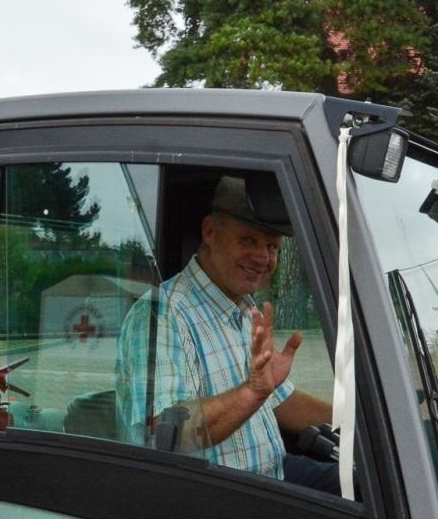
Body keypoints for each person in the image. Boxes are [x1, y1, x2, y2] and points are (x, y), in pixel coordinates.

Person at [115, 175, 334, 489]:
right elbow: (163, 432)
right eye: (248, 240)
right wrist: (253, 391)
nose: (262, 257)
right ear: (209, 232)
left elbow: (280, 401)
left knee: (365, 489)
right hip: (217, 501)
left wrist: (361, 422)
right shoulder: (162, 314)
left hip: (272, 474)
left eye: (272, 246)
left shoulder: (243, 310)